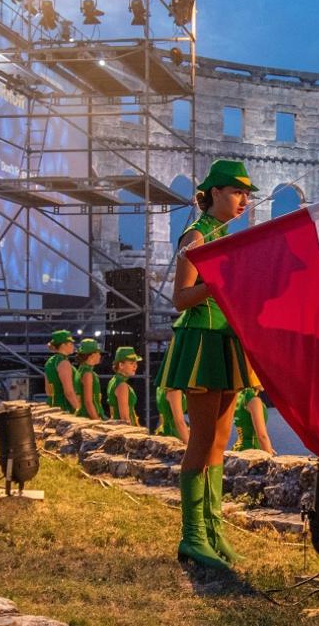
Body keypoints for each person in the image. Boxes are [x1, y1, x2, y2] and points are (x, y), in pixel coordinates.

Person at [159, 159, 261, 570]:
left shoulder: (225, 236)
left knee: (220, 440)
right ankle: (192, 536)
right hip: (201, 339)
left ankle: (214, 529)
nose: (244, 200)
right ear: (214, 192)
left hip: (226, 339)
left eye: (247, 194)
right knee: (201, 440)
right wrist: (215, 283)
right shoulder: (197, 236)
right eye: (237, 191)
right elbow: (180, 298)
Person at [104, 346, 141, 424]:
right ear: (121, 365)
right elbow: (124, 418)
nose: (135, 366)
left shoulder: (114, 380)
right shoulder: (122, 385)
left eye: (136, 363)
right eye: (131, 363)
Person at [231, 388, 275, 453]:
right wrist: (269, 455)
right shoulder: (253, 400)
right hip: (253, 451)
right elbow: (262, 436)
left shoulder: (238, 395)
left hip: (238, 449)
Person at [43, 331, 78, 412]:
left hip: (52, 406)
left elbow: (48, 391)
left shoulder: (49, 362)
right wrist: (78, 409)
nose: (73, 346)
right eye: (70, 343)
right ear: (63, 345)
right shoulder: (64, 363)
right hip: (65, 407)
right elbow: (69, 392)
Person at [72, 338, 103, 419]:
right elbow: (88, 402)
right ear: (92, 355)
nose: (100, 356)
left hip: (84, 414)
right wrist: (97, 420)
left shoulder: (80, 369)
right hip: (88, 416)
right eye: (98, 353)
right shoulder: (87, 374)